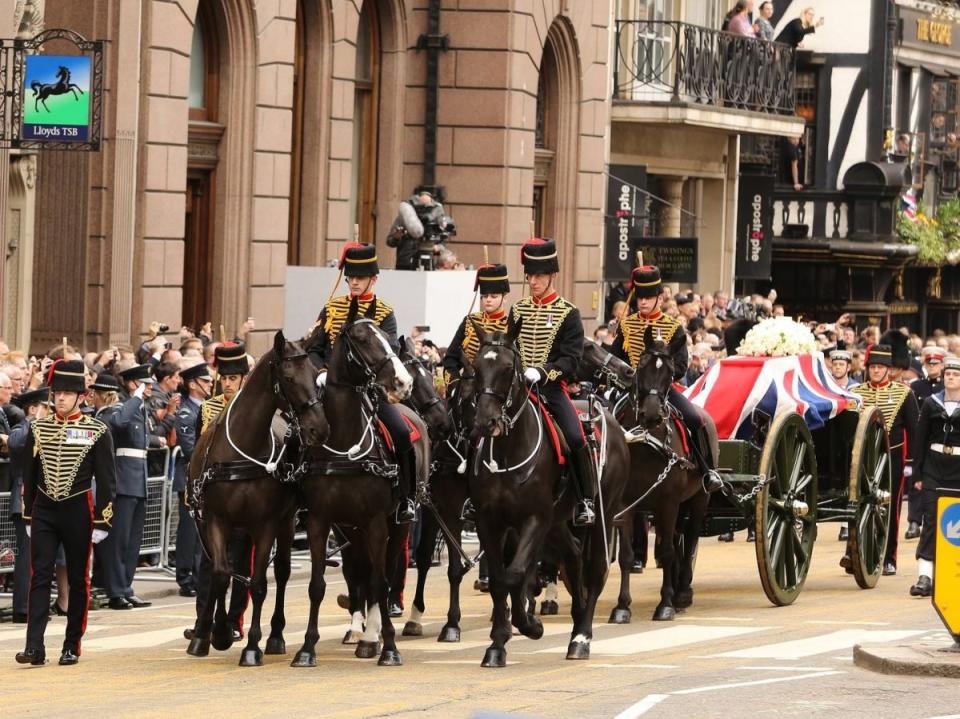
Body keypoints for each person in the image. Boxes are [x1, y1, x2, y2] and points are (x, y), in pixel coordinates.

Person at [13, 360, 116, 666]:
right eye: (57, 392)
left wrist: (102, 518)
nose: (60, 398)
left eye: (67, 393)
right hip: (44, 509)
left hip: (78, 509)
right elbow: (30, 476)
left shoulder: (97, 430)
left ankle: (72, 644)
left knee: (78, 578)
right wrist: (30, 515)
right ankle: (34, 646)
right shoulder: (39, 428)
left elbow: (108, 479)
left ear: (80, 396)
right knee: (40, 575)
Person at [307, 242, 417, 523]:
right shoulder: (331, 309)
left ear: (374, 279)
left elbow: (388, 353)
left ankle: (407, 497)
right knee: (296, 432)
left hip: (370, 393)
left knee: (402, 434)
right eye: (350, 278)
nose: (354, 282)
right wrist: (321, 370)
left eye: (360, 278)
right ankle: (298, 494)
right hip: (330, 391)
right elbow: (313, 348)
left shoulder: (384, 313)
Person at [611, 266, 724, 494]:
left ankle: (707, 469)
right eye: (640, 297)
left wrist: (660, 378)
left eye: (648, 297)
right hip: (630, 390)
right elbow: (615, 358)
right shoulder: (626, 325)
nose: (642, 302)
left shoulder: (673, 327)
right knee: (602, 420)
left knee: (694, 418)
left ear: (659, 298)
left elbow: (682, 364)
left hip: (661, 389)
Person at [508, 238, 595, 525]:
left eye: (539, 276)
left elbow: (570, 360)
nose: (533, 281)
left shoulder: (568, 313)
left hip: (549, 388)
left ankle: (585, 499)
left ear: (552, 276)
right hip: (518, 389)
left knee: (575, 437)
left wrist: (543, 373)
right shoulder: (518, 310)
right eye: (530, 276)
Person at [185, 342, 253, 643]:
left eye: (233, 378)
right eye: (224, 378)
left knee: (240, 563)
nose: (227, 383)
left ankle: (235, 620)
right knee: (208, 563)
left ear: (243, 380)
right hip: (213, 498)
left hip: (246, 498)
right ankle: (204, 619)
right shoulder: (207, 409)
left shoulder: (253, 411)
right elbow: (198, 454)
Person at [442, 264, 511, 521]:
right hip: (468, 391)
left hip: (499, 395)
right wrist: (455, 380)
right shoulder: (470, 322)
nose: (487, 301)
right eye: (484, 296)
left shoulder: (511, 324)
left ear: (504, 297)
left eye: (493, 296)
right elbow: (450, 358)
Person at [849, 344, 919, 576]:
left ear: (888, 369)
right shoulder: (856, 392)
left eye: (880, 367)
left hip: (892, 458)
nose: (876, 371)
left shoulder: (903, 393)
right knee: (855, 504)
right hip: (863, 458)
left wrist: (916, 465)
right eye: (872, 367)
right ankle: (854, 552)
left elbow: (914, 430)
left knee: (891, 508)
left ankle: (889, 557)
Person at [98, 365, 155, 610]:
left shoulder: (141, 409)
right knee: (118, 542)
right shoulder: (121, 407)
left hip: (138, 482)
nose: (151, 387)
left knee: (133, 542)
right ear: (133, 384)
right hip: (122, 483)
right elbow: (119, 423)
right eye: (145, 383)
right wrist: (135, 398)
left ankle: (127, 587)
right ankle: (115, 591)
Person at [910, 357, 960, 597]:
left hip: (958, 470)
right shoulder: (931, 403)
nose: (951, 378)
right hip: (933, 468)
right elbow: (920, 441)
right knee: (930, 520)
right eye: (948, 374)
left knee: (956, 524)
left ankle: (953, 574)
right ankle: (925, 576)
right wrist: (917, 474)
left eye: (955, 375)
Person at [173, 360, 212, 597]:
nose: (210, 384)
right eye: (205, 381)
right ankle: (185, 576)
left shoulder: (207, 407)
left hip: (205, 478)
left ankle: (199, 575)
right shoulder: (187, 411)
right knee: (189, 531)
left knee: (202, 532)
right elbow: (191, 449)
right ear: (192, 384)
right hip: (190, 478)